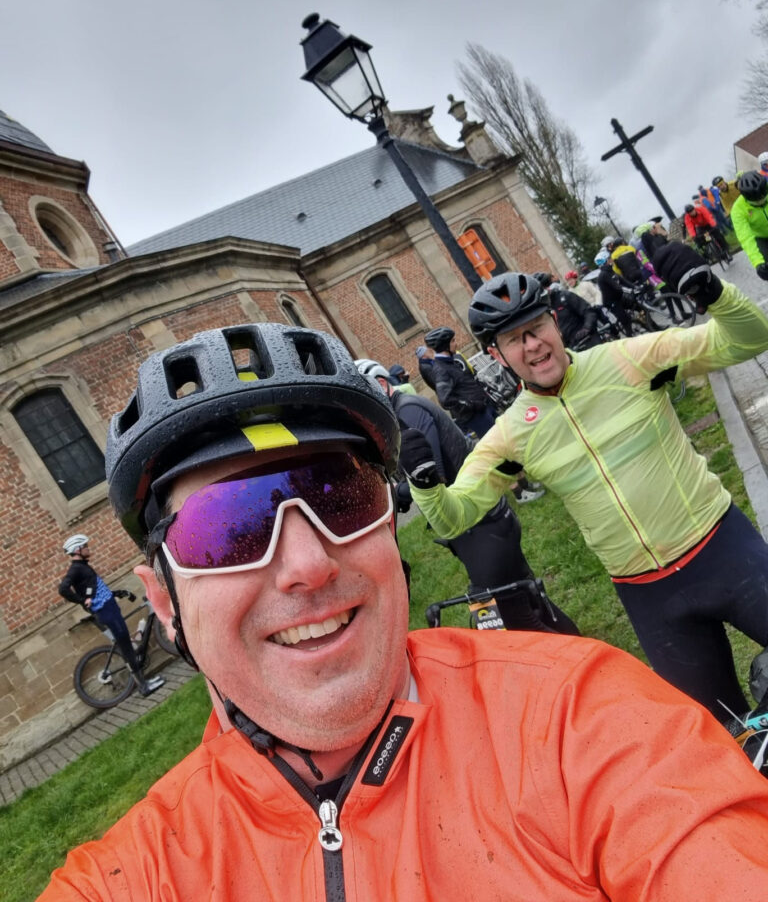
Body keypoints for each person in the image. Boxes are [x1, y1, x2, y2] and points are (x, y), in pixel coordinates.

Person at [41, 322, 768, 900]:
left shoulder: (575, 718)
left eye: (343, 498)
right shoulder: (143, 873)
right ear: (164, 601)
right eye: (227, 528)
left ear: (387, 531)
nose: (308, 566)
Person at [401, 249, 768, 720]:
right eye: (515, 340)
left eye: (536, 328)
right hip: (650, 595)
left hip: (722, 549)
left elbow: (749, 340)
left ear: (555, 321)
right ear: (497, 355)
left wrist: (715, 295)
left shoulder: (627, 361)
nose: (532, 346)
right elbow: (456, 515)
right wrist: (427, 484)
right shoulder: (513, 433)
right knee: (721, 735)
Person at [355, 358, 575, 633]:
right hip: (481, 518)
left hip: (478, 523)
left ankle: (575, 669)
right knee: (528, 597)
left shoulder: (407, 412)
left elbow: (430, 476)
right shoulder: (401, 412)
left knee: (514, 618)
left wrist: (395, 492)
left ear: (382, 384)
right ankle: (581, 649)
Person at [58, 534, 164, 697]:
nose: (88, 549)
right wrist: (82, 601)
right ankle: (143, 686)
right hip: (105, 612)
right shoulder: (76, 569)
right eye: (85, 546)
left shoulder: (84, 566)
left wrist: (118, 593)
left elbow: (96, 589)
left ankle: (144, 683)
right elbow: (63, 589)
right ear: (77, 550)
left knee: (127, 644)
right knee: (127, 648)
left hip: (110, 608)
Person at [423, 326, 496, 438]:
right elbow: (445, 400)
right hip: (477, 416)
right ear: (444, 345)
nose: (456, 343)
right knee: (499, 445)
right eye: (453, 341)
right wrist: (472, 405)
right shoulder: (441, 370)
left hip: (484, 408)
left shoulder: (449, 362)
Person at [731, 170, 768, 280]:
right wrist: (758, 263)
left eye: (763, 198)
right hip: (761, 237)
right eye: (756, 201)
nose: (761, 202)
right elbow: (745, 238)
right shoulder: (737, 210)